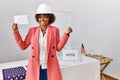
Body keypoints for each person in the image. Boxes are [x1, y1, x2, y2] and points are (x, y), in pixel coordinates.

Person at [12, 3, 72, 80]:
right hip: (35, 67)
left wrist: (66, 34)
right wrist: (16, 32)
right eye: (40, 17)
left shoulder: (55, 30)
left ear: (50, 18)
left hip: (50, 66)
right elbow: (23, 46)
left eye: (45, 17)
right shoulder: (32, 31)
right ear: (37, 18)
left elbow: (58, 48)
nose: (42, 19)